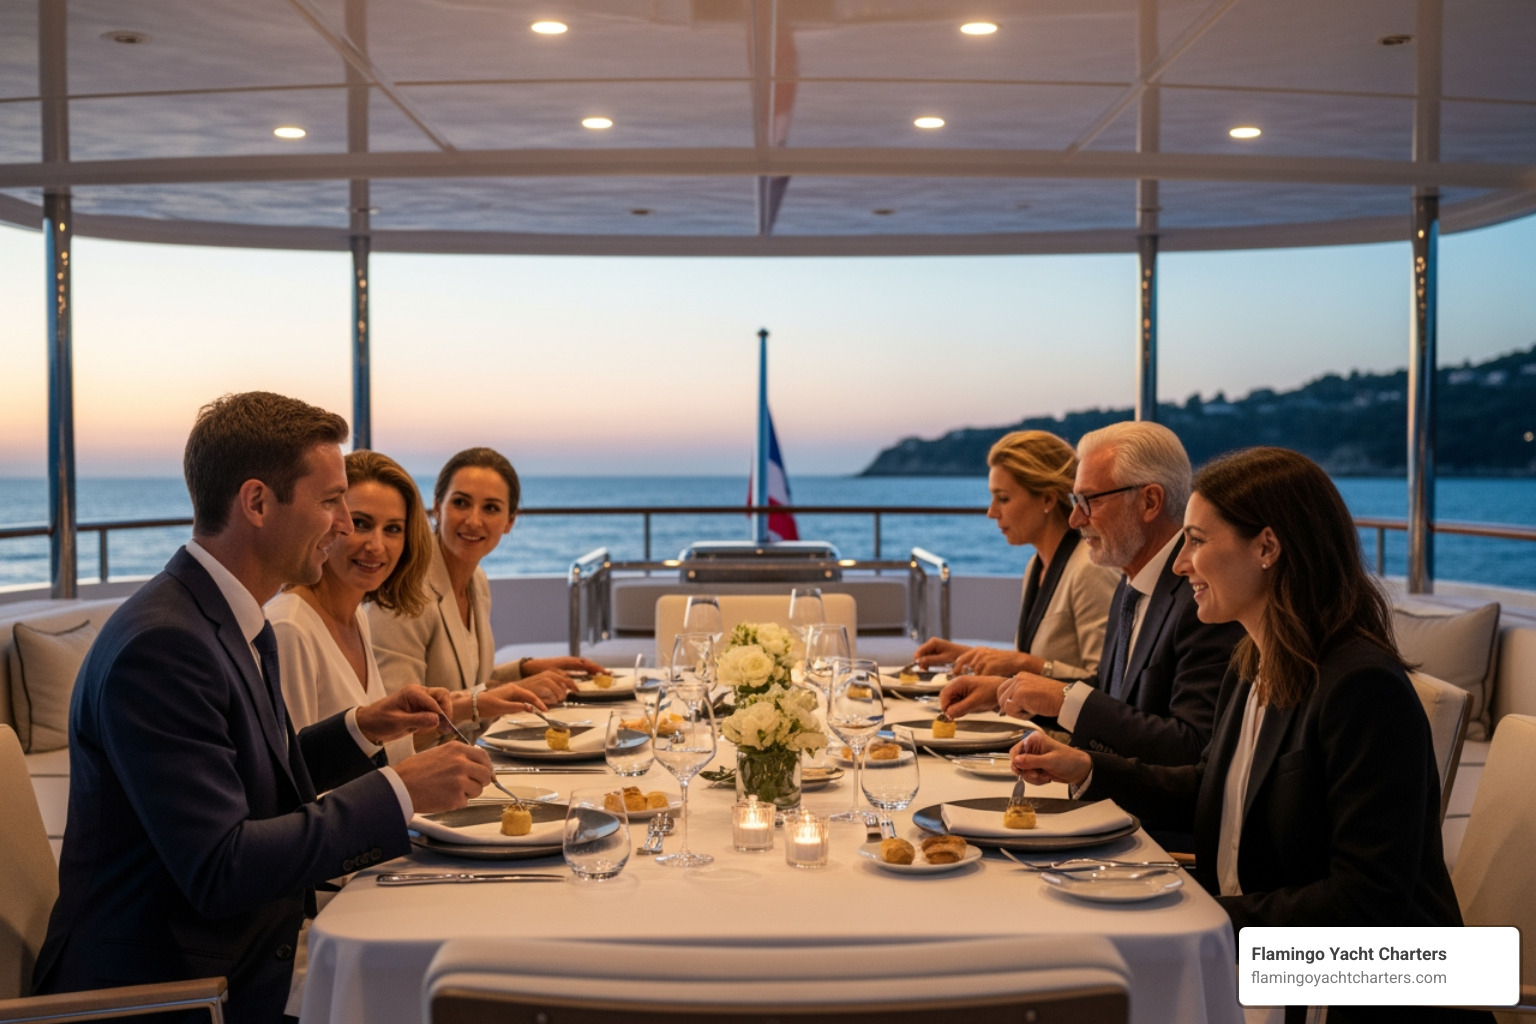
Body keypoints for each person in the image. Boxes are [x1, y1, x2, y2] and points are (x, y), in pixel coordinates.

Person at [34, 392, 493, 1024]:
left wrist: (362, 727)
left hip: (235, 953)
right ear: (256, 503)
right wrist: (399, 790)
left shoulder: (227, 616)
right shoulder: (162, 646)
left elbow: (253, 778)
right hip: (178, 991)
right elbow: (221, 868)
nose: (343, 525)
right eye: (331, 502)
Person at [1011, 446, 1488, 1024]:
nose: (1180, 564)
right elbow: (1214, 789)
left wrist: (1204, 920)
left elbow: (1367, 898)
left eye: (1195, 541)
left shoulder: (1362, 688)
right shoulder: (1252, 662)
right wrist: (1087, 769)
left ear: (1266, 548)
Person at [942, 420, 1241, 766]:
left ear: (1149, 501)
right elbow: (1112, 696)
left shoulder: (1201, 597)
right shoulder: (1132, 584)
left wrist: (1065, 701)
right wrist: (1004, 692)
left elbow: (1192, 746)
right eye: (1075, 500)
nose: (1074, 519)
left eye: (1089, 501)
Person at [268, 450, 545, 765]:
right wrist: (466, 708)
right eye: (361, 523)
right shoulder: (289, 630)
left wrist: (514, 675)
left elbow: (379, 749)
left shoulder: (355, 617)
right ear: (329, 522)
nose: (376, 546)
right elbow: (295, 780)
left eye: (393, 529)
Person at [369, 447, 601, 737]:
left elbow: (465, 684)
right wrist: (490, 700)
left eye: (491, 508)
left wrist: (524, 670)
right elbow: (394, 731)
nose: (473, 521)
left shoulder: (476, 580)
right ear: (437, 507)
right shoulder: (403, 593)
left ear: (509, 521)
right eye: (461, 503)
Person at [914, 430, 1117, 680]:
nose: (991, 512)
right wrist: (968, 656)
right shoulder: (1036, 566)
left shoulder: (1090, 569)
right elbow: (1036, 662)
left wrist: (1023, 663)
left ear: (1047, 499)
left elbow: (1105, 685)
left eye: (1003, 498)